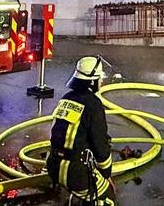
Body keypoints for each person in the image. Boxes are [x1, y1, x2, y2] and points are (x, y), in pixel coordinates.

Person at [46, 56, 116, 205]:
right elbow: (100, 146)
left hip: (53, 165)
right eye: (99, 79)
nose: (101, 82)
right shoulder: (93, 104)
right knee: (108, 196)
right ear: (92, 82)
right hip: (75, 173)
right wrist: (106, 174)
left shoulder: (66, 98)